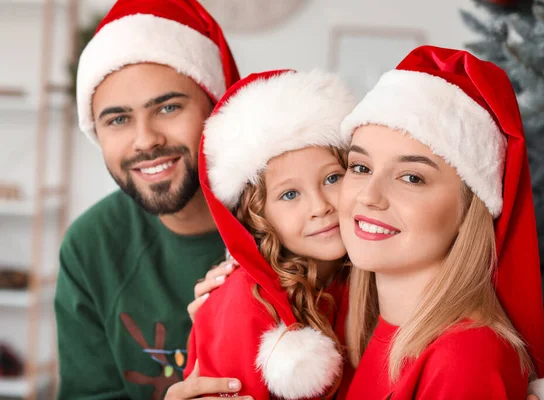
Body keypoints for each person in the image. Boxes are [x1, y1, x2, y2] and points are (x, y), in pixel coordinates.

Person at [337, 46, 544, 399]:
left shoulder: (465, 356)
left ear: (467, 211)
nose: (370, 195)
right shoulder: (361, 327)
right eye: (360, 167)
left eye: (411, 177)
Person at [54, 0, 242, 398]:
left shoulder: (295, 219)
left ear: (217, 108)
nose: (146, 140)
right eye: (118, 119)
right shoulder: (92, 246)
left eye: (168, 107)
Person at [184, 69, 356, 399]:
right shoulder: (246, 304)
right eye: (290, 194)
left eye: (332, 178)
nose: (320, 206)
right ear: (257, 215)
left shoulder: (361, 277)